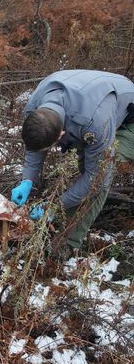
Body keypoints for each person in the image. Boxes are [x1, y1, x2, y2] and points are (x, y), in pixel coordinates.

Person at [11, 70, 134, 255]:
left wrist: (55, 205)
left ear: (61, 134)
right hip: (96, 101)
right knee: (86, 169)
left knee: (103, 173)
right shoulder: (34, 108)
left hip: (128, 118)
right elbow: (35, 146)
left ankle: (68, 242)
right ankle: (66, 217)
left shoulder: (94, 124)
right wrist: (27, 180)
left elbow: (96, 179)